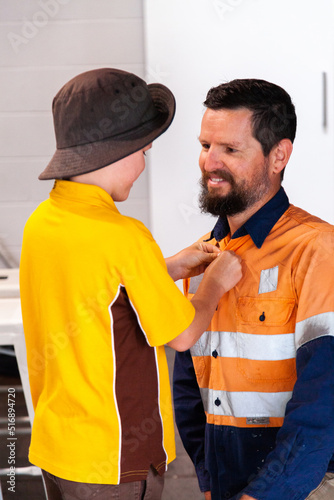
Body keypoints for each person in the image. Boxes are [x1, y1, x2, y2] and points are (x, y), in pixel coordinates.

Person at [19, 68, 242, 500]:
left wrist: (174, 265)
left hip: (58, 448)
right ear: (120, 152)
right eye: (145, 151)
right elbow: (181, 335)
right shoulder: (126, 235)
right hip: (114, 459)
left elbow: (105, 289)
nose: (143, 164)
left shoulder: (43, 223)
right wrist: (213, 282)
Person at [173, 78, 334, 500]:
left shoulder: (318, 250)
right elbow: (189, 387)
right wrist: (209, 480)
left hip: (301, 486)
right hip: (225, 483)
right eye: (206, 145)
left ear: (278, 155)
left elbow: (325, 397)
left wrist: (262, 494)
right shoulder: (201, 258)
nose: (210, 162)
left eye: (230, 149)